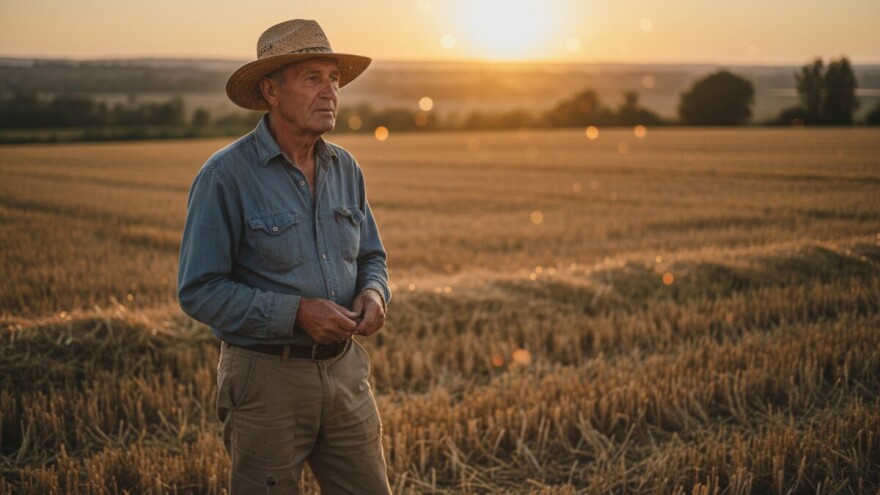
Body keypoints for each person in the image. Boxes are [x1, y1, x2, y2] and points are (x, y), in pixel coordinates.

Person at [177, 19, 392, 494]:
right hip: (264, 380)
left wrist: (375, 295)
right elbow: (198, 291)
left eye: (334, 79)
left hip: (346, 373)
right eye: (312, 78)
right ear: (271, 91)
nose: (330, 92)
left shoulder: (346, 169)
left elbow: (372, 256)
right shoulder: (225, 177)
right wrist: (296, 312)